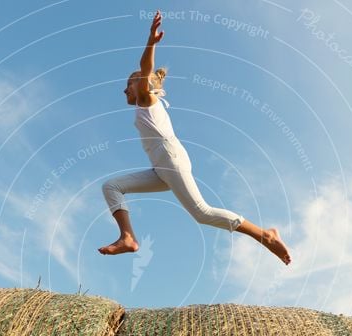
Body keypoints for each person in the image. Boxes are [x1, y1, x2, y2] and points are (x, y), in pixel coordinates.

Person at [99, 10, 291, 265]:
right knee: (111, 186)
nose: (126, 88)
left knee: (202, 213)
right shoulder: (143, 106)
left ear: (145, 85)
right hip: (161, 167)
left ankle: (265, 235)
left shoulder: (147, 100)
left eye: (131, 82)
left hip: (170, 158)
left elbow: (146, 69)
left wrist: (150, 43)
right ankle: (128, 238)